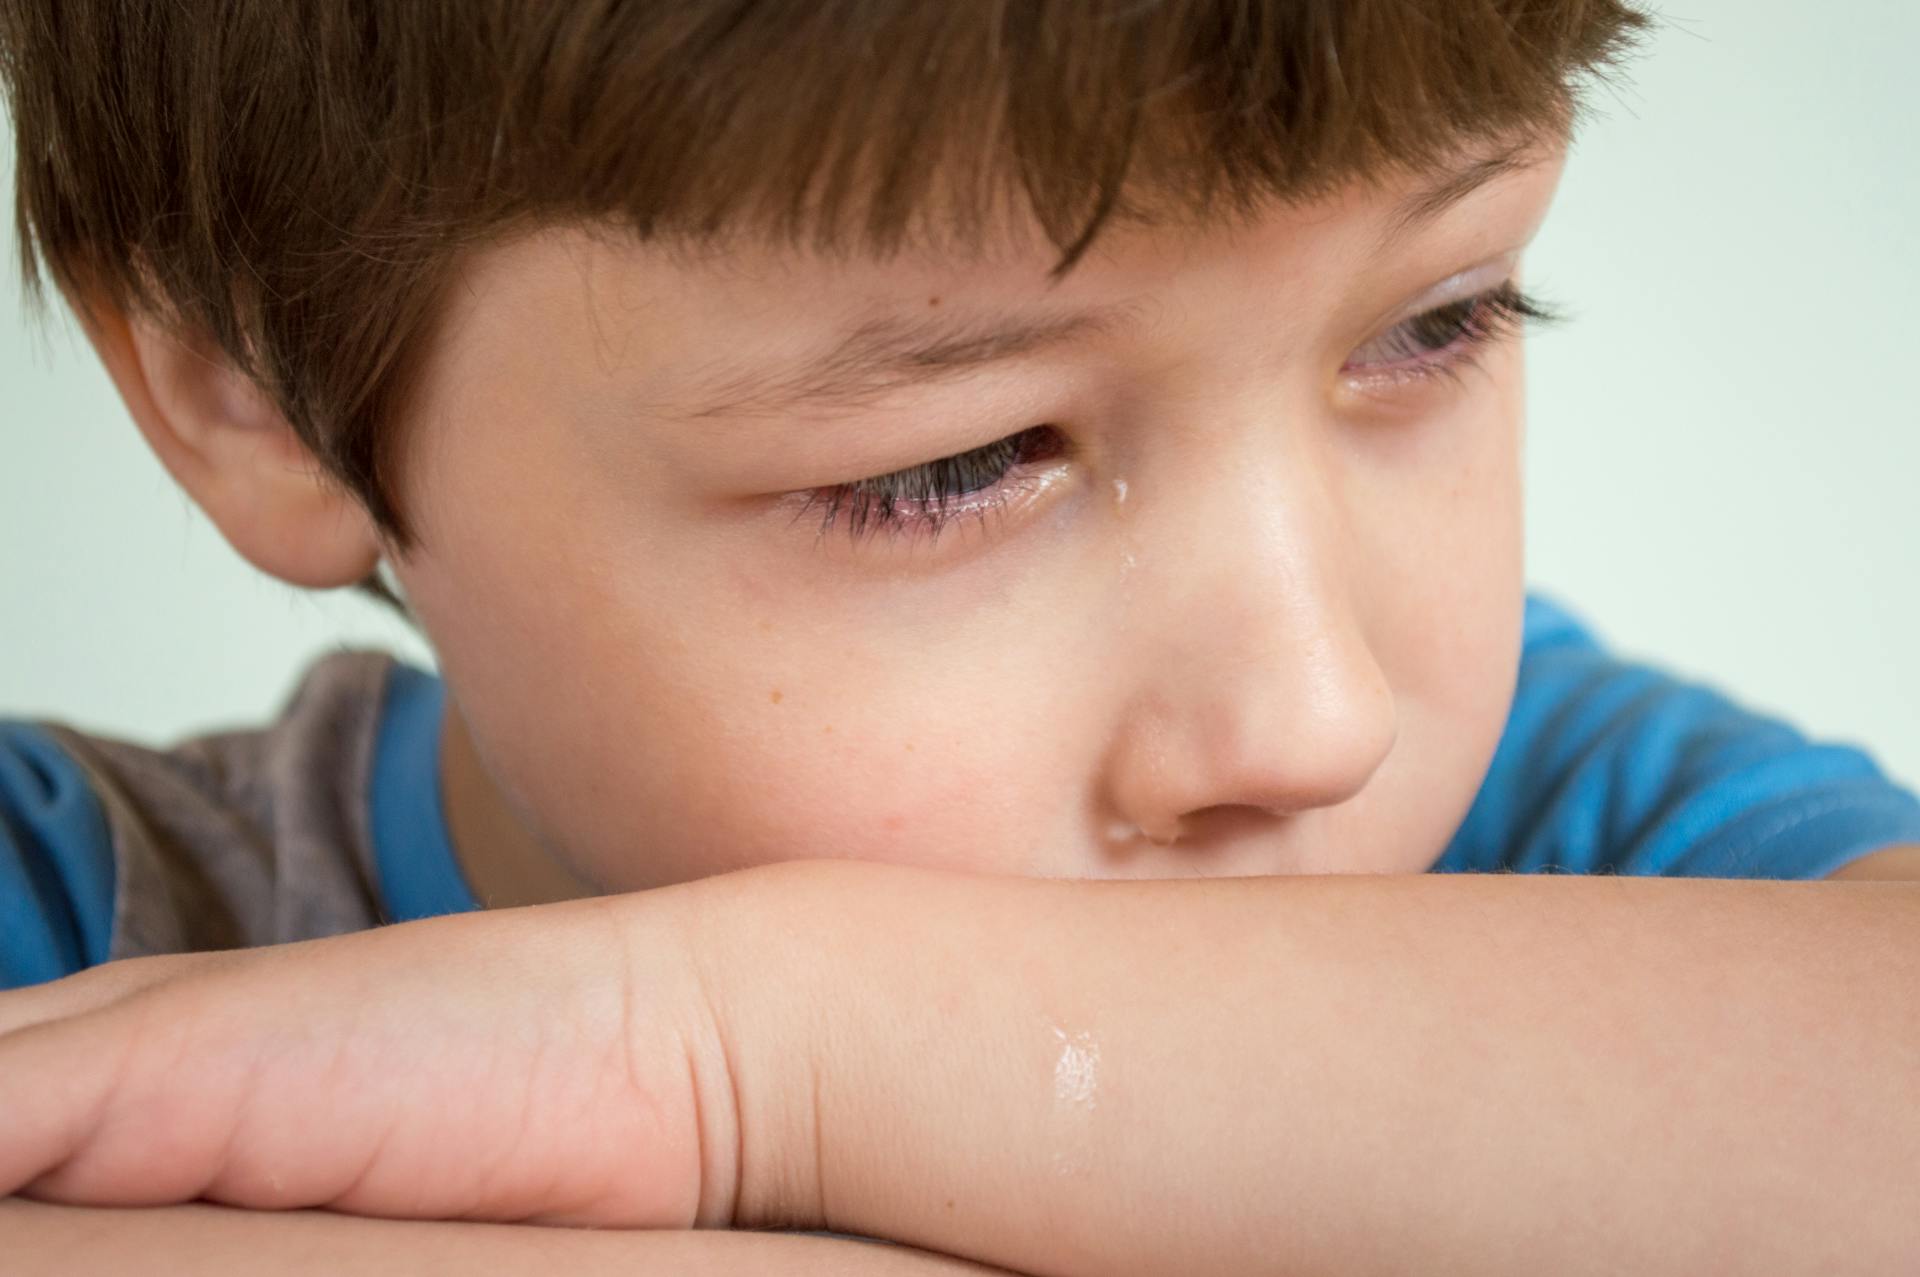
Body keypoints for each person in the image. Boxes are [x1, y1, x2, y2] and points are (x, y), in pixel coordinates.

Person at [2, 1, 1917, 1271]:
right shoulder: (76, 932)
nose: (1313, 717)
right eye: (959, 460)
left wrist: (759, 1059)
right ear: (244, 385)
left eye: (1437, 323)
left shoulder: (1566, 823)